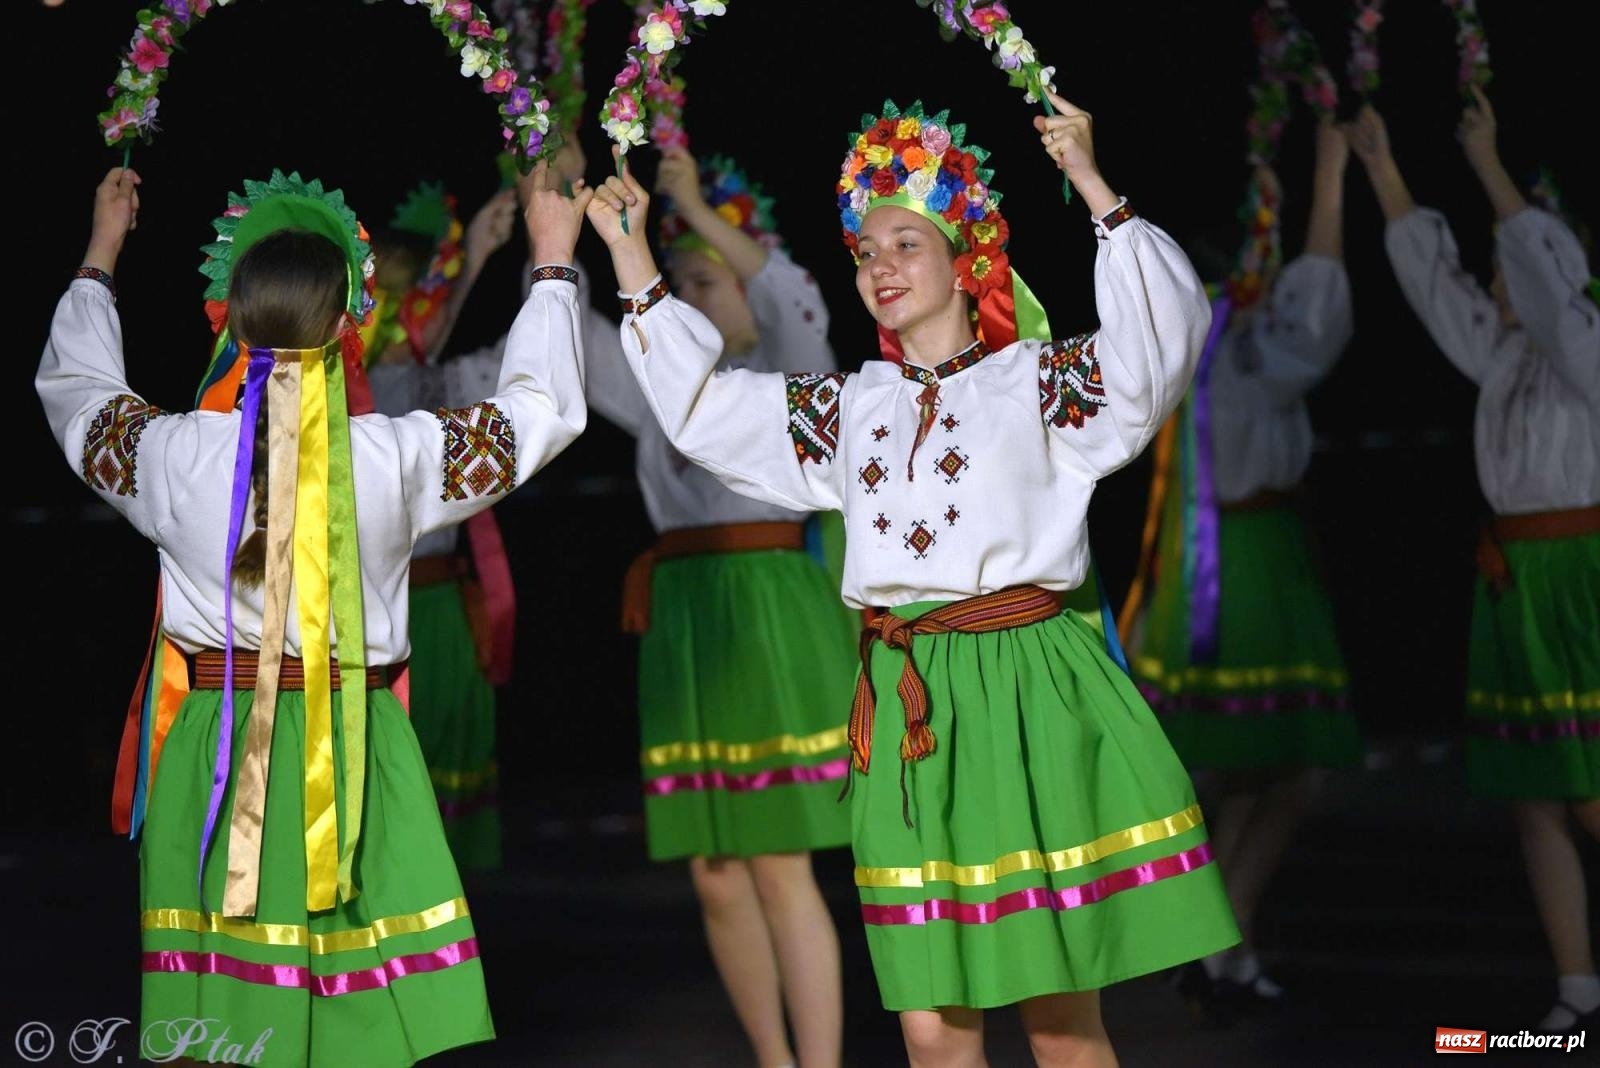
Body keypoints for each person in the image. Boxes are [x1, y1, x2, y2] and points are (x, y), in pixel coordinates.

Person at [583, 89, 1240, 1067]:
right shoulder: (854, 408)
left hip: (1022, 691)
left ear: (964, 259)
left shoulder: (1037, 384)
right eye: (864, 252)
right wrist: (631, 253)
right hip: (906, 704)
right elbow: (705, 411)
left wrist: (1094, 187)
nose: (879, 267)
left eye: (904, 244)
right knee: (931, 1034)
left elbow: (1161, 343)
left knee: (1059, 1025)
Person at [38, 160, 591, 1066]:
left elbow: (77, 393)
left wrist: (101, 254)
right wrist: (554, 262)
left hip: (217, 745)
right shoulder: (396, 458)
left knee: (226, 1016)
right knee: (359, 1025)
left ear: (230, 320)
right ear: (346, 327)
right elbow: (541, 411)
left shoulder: (169, 454)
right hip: (356, 744)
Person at [581, 145, 857, 1068]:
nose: (690, 296)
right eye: (680, 283)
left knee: (778, 862)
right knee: (717, 872)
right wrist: (558, 226)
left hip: (767, 606)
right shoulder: (664, 388)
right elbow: (577, 341)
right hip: (687, 615)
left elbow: (791, 295)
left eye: (705, 281)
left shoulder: (788, 373)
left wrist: (697, 210)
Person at [1344, 87, 1600, 1033]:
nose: (1496, 281)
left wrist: (1489, 162)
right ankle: (1576, 986)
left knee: (1589, 795)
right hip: (1518, 586)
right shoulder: (1506, 357)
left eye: (1511, 267)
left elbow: (1550, 284)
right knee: (1536, 797)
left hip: (1584, 581)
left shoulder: (1586, 347)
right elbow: (1435, 285)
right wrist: (1382, 167)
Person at [1125, 118, 1362, 1022]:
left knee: (1254, 770)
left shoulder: (1210, 350)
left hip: (1221, 556)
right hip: (1236, 563)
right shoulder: (1242, 348)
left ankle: (1222, 944)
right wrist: (1330, 177)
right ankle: (1219, 938)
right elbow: (1321, 306)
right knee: (1273, 768)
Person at [367, 183, 522, 873]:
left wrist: (483, 253)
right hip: (371, 617)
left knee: (445, 790)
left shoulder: (444, 384)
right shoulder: (338, 394)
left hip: (441, 612)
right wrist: (474, 261)